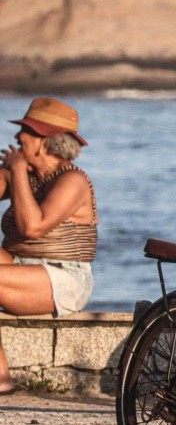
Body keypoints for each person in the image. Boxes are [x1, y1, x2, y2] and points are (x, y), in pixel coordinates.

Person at [0, 98, 97, 395]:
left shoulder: (73, 182)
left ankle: (0, 377)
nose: (17, 138)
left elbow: (33, 227)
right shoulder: (25, 176)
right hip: (21, 268)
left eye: (26, 132)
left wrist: (16, 173)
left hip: (64, 279)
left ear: (44, 141)